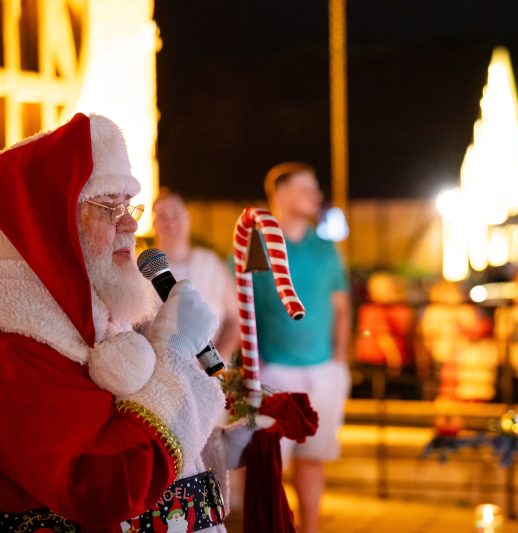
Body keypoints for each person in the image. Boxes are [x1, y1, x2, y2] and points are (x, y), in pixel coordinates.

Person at [0, 113, 256, 531]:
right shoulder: (15, 344)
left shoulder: (103, 320)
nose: (132, 223)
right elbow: (102, 485)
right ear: (52, 219)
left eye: (128, 204)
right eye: (109, 206)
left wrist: (229, 440)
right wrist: (171, 351)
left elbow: (160, 453)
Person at [253, 162, 351, 533]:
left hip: (323, 369)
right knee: (271, 465)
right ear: (281, 194)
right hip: (275, 369)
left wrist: (340, 361)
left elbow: (341, 307)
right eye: (307, 188)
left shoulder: (326, 249)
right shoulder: (255, 244)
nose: (317, 195)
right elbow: (238, 301)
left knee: (313, 459)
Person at [152, 189, 240, 361]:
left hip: (210, 371)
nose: (170, 222)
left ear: (188, 219)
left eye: (175, 214)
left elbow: (234, 319)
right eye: (162, 216)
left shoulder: (212, 264)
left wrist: (218, 361)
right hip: (158, 371)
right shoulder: (145, 268)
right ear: (153, 224)